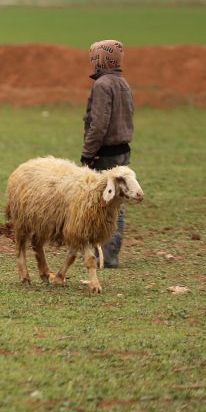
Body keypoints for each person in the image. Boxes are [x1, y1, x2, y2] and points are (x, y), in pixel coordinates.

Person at [81, 39, 134, 268]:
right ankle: (111, 254)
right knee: (117, 205)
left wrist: (88, 153)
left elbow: (99, 124)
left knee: (102, 203)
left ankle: (105, 255)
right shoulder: (123, 83)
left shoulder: (102, 84)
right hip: (123, 151)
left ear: (101, 59)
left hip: (106, 153)